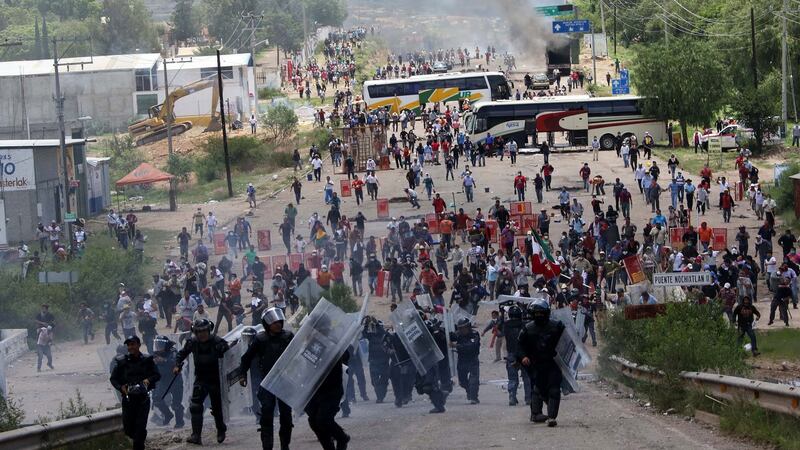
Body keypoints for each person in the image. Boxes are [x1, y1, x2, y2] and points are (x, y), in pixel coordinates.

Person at [239, 308, 294, 450]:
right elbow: (246, 358)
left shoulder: (288, 336)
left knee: (286, 418)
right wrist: (242, 374)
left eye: (279, 321)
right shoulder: (260, 339)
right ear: (267, 323)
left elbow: (298, 354)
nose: (278, 324)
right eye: (274, 322)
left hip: (285, 381)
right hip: (267, 381)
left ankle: (285, 446)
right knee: (267, 415)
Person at [174, 319, 230, 445]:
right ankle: (196, 436)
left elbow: (230, 356)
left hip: (216, 379)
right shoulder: (192, 342)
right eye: (198, 332)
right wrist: (177, 365)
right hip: (200, 378)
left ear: (208, 330)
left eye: (204, 331)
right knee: (195, 406)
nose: (201, 334)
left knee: (216, 407)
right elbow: (181, 354)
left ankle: (221, 429)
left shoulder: (217, 342)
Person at [517, 299, 565, 427]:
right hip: (535, 364)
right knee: (538, 389)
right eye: (536, 313)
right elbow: (520, 346)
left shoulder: (557, 326)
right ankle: (536, 413)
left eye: (541, 313)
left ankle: (552, 417)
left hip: (552, 362)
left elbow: (567, 339)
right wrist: (523, 357)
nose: (539, 315)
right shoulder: (527, 329)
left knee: (554, 389)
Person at [110, 335, 160, 450]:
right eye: (129, 345)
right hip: (128, 400)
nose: (131, 347)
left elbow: (157, 375)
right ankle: (140, 436)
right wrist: (120, 387)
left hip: (143, 400)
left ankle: (139, 442)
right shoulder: (121, 362)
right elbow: (113, 379)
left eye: (133, 344)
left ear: (138, 345)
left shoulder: (147, 360)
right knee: (128, 429)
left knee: (140, 429)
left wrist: (148, 380)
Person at [305, 345, 350, 450]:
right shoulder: (309, 345)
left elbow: (346, 356)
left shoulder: (334, 344)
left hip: (331, 389)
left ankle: (342, 437)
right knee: (313, 420)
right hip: (315, 388)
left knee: (323, 419)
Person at [152, 335, 185, 428]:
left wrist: (164, 360)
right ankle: (168, 414)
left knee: (176, 404)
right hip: (163, 381)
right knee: (157, 400)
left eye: (160, 345)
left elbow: (176, 362)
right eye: (157, 345)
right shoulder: (155, 355)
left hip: (175, 381)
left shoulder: (173, 351)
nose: (158, 347)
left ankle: (180, 422)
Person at [502, 304, 531, 406]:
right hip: (524, 354)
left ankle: (512, 396)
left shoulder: (506, 325)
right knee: (527, 377)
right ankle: (528, 398)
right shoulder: (525, 325)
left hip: (511, 354)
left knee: (512, 378)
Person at [450, 318, 480, 404]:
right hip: (462, 359)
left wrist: (456, 346)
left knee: (473, 379)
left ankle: (474, 397)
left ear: (468, 327)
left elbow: (471, 346)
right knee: (462, 381)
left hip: (472, 359)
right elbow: (451, 337)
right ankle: (469, 390)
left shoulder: (474, 334)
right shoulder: (458, 334)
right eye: (460, 328)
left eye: (463, 328)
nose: (461, 330)